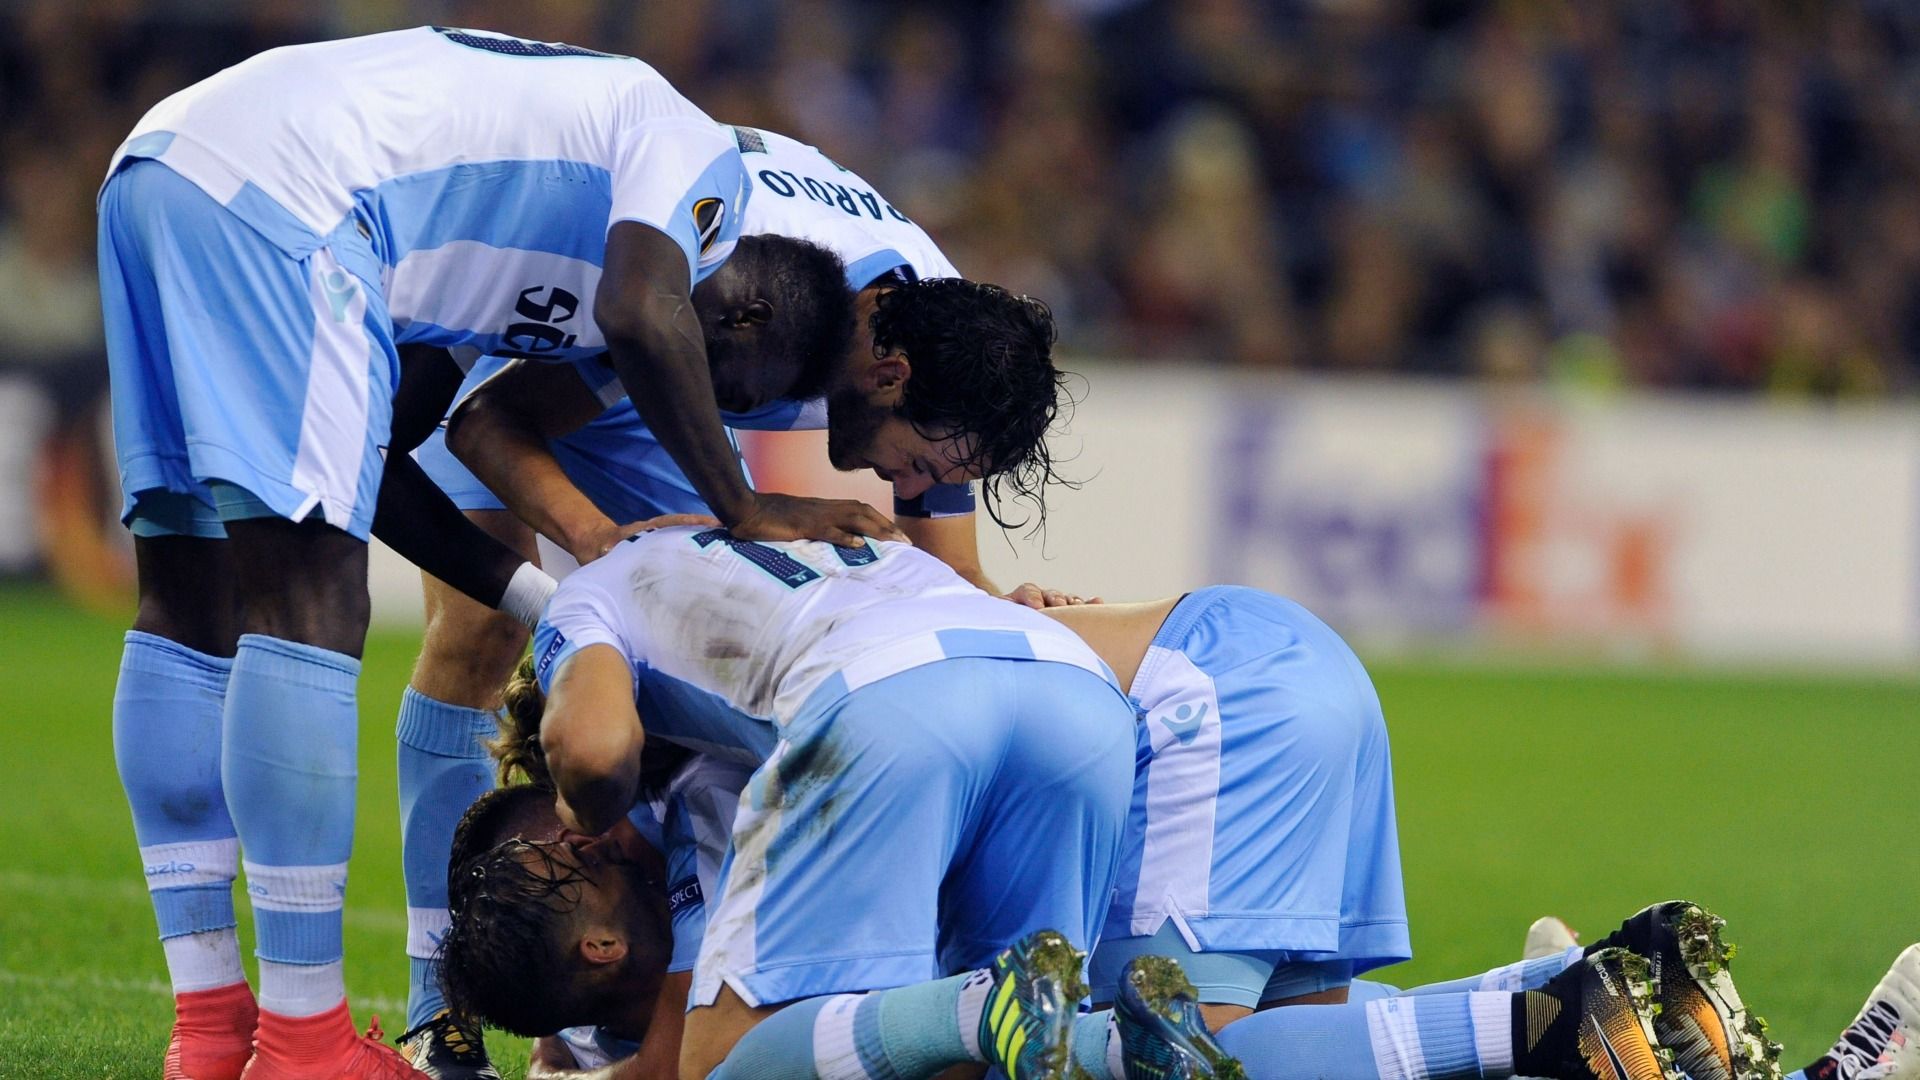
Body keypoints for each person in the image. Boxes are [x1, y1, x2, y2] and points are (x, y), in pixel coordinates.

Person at [99, 25, 884, 1080]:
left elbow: (377, 461)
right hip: (299, 196)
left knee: (189, 594)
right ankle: (304, 1047)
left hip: (167, 166)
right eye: (729, 388)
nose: (703, 409)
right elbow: (641, 310)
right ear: (740, 309)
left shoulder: (510, 259)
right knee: (313, 606)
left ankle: (209, 1031)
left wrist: (540, 589)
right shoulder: (695, 164)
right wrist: (741, 506)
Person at [441, 582, 1778, 1080]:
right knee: (1234, 1051)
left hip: (1213, 707)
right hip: (1232, 671)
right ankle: (1608, 992)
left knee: (1156, 1056)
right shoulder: (724, 692)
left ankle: (1562, 1019)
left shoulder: (746, 799)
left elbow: (704, 1049)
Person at [391, 124, 1075, 1075]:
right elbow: (491, 423)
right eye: (908, 462)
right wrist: (602, 559)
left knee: (696, 662)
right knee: (486, 633)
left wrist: (1008, 614)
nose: (894, 480)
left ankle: (618, 972)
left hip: (665, 378)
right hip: (549, 331)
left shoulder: (947, 340)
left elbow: (950, 575)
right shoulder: (748, 290)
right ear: (888, 375)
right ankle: (442, 1005)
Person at [451, 521, 1138, 1078]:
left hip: (891, 696)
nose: (590, 841)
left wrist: (585, 800)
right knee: (1012, 1055)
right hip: (1074, 682)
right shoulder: (753, 530)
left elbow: (594, 752)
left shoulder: (595, 631)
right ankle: (1127, 1045)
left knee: (720, 1065)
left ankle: (1004, 1013)